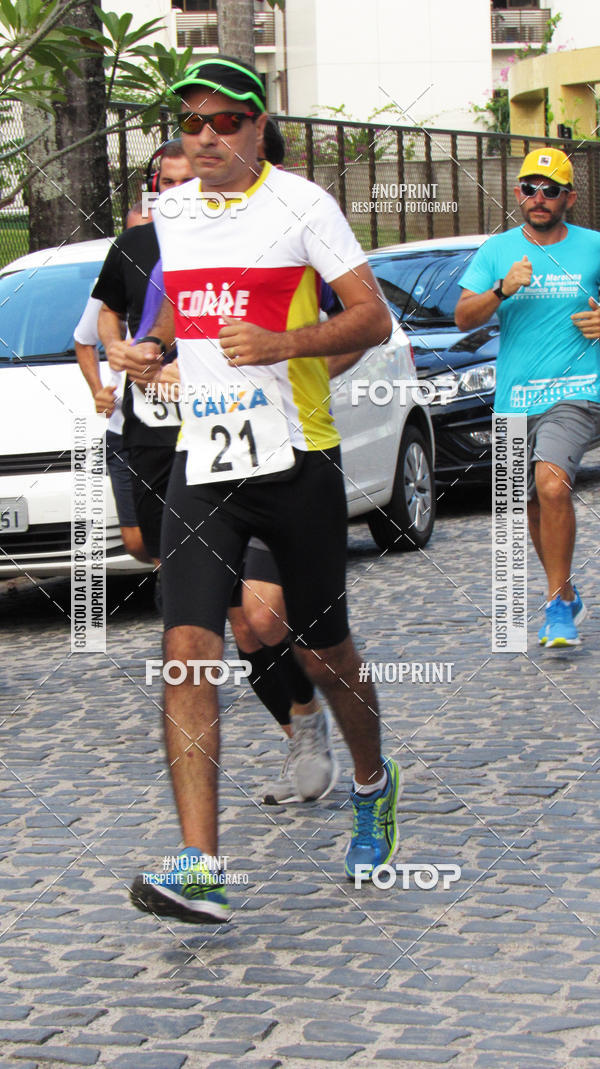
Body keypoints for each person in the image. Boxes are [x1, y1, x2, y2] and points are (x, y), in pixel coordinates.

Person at [119, 55, 399, 924]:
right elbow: (181, 309)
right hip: (205, 464)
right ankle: (201, 864)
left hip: (297, 458)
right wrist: (153, 347)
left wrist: (283, 344)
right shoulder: (172, 211)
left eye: (225, 121)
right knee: (186, 648)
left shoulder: (304, 205)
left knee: (324, 651)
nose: (205, 136)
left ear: (257, 127)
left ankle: (372, 783)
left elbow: (373, 316)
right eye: (191, 122)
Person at [456, 147, 600, 648]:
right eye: (529, 189)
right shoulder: (497, 251)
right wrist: (502, 289)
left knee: (553, 486)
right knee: (533, 502)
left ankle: (556, 606)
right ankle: (565, 592)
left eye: (551, 190)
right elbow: (463, 317)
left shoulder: (593, 246)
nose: (539, 198)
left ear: (569, 198)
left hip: (578, 391)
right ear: (518, 194)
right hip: (515, 398)